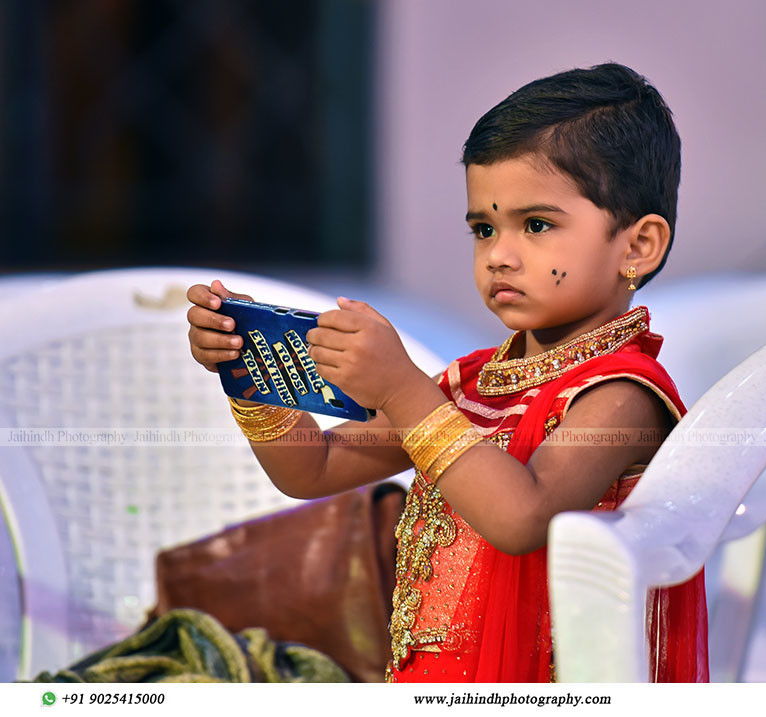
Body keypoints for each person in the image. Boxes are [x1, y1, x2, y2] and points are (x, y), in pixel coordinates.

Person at [186, 62, 708, 683]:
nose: (499, 256)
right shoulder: (472, 384)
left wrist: (403, 388)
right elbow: (310, 469)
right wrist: (250, 373)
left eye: (536, 225)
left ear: (637, 246)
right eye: (483, 229)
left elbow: (522, 517)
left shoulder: (621, 394)